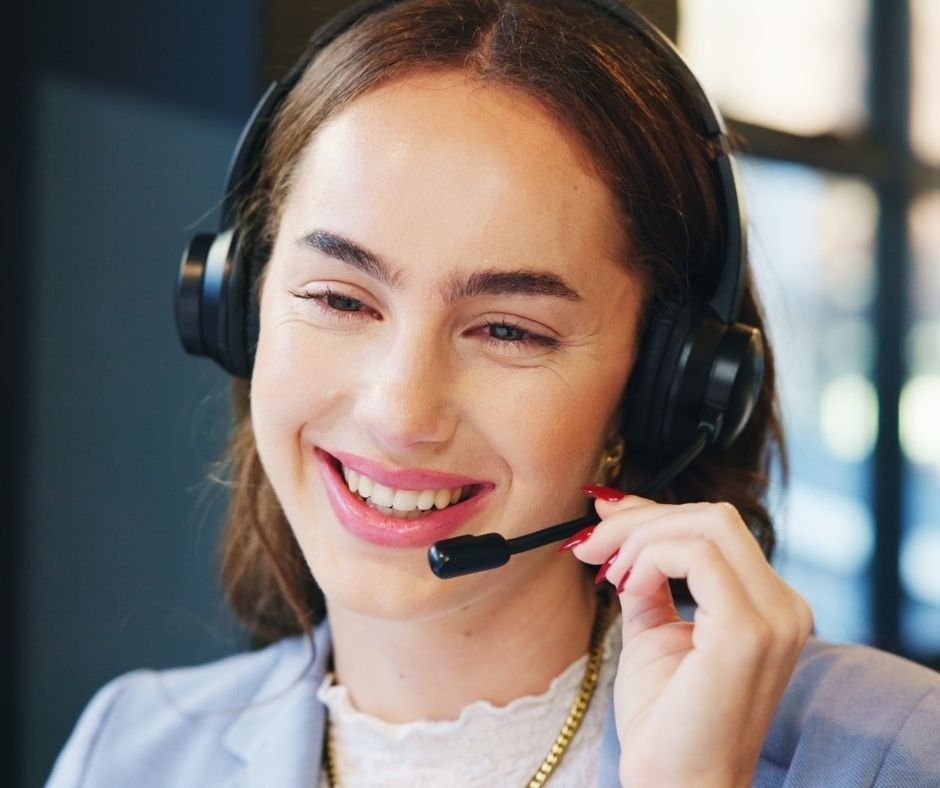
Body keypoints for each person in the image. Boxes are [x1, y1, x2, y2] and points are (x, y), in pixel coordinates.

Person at [48, 0, 940, 785]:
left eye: (509, 329)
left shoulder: (891, 752)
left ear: (665, 384)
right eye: (338, 298)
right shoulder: (131, 751)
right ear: (238, 305)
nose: (401, 413)